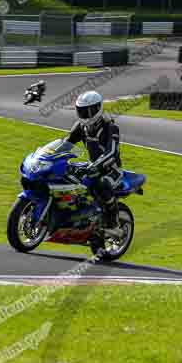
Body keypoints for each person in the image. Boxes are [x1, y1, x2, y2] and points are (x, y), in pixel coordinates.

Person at [65, 91, 122, 254]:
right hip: (92, 165)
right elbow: (66, 143)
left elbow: (112, 153)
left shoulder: (110, 127)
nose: (85, 115)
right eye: (81, 111)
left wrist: (96, 166)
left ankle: (113, 224)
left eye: (89, 111)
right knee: (65, 174)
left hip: (111, 169)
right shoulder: (81, 126)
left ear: (98, 108)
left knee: (102, 184)